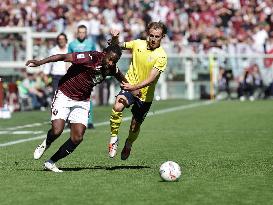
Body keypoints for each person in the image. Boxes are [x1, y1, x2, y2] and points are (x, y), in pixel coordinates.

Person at [26, 44, 131, 173]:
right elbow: (62, 56)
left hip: (82, 101)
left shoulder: (111, 68)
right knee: (57, 130)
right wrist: (40, 62)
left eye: (114, 61)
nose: (110, 63)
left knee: (77, 138)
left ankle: (51, 162)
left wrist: (134, 91)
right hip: (65, 94)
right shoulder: (90, 57)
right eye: (109, 59)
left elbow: (123, 79)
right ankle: (46, 143)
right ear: (104, 54)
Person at [108, 21, 168, 160]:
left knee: (135, 126)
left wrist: (134, 87)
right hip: (130, 85)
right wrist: (116, 37)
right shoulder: (138, 44)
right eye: (151, 35)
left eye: (157, 36)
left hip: (145, 95)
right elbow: (117, 46)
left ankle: (128, 143)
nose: (153, 39)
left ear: (162, 37)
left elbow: (151, 78)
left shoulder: (161, 56)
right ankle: (113, 138)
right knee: (118, 105)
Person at [68, 25, 96, 129]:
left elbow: (95, 57)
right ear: (77, 33)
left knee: (87, 97)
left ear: (86, 33)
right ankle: (71, 120)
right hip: (75, 74)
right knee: (72, 97)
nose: (81, 34)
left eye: (83, 32)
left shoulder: (91, 43)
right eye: (80, 32)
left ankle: (89, 120)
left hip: (87, 74)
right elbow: (68, 58)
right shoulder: (72, 44)